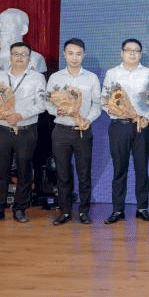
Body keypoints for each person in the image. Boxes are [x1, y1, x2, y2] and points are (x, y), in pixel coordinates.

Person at [0, 42, 46, 225]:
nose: (19, 57)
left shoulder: (37, 78)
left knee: (24, 171)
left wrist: (21, 115)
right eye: (16, 54)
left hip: (26, 130)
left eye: (23, 54)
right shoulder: (0, 77)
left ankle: (20, 209)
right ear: (10, 57)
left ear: (29, 58)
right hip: (3, 130)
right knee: (0, 171)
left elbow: (42, 104)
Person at [46, 38, 102, 226]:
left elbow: (97, 104)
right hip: (61, 130)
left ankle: (84, 211)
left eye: (78, 54)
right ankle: (65, 211)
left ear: (84, 55)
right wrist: (56, 110)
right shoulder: (56, 78)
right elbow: (47, 102)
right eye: (71, 53)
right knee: (62, 174)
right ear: (65, 54)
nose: (75, 57)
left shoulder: (91, 78)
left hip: (82, 130)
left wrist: (88, 120)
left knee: (84, 173)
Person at [102, 39, 149, 224]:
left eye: (136, 51)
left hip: (142, 127)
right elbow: (104, 100)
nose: (132, 53)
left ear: (141, 54)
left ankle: (142, 208)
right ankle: (118, 210)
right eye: (128, 50)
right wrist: (119, 112)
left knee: (142, 169)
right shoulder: (112, 73)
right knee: (119, 169)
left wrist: (148, 117)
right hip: (119, 126)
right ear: (121, 52)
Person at [0, 8, 47, 73]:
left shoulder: (35, 59)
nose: (2, 29)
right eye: (0, 24)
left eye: (8, 24)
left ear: (24, 29)